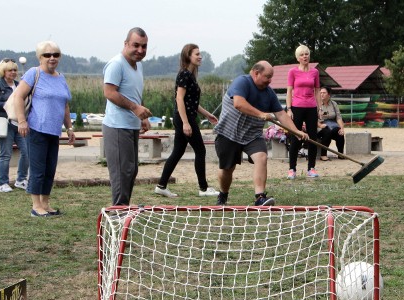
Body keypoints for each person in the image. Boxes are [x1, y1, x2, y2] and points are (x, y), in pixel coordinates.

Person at [213, 61, 308, 206]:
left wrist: (296, 131)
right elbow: (238, 103)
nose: (270, 81)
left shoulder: (269, 93)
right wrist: (260, 114)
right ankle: (223, 194)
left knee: (262, 157)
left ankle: (260, 197)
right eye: (267, 77)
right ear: (256, 73)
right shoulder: (242, 82)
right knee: (227, 169)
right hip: (228, 133)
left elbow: (281, 115)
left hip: (252, 135)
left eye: (271, 77)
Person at [12, 41, 75, 217]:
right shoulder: (34, 73)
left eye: (55, 54)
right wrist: (22, 121)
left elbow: (65, 105)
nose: (52, 58)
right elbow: (18, 96)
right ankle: (36, 205)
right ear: (40, 57)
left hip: (54, 130)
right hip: (37, 128)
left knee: (50, 168)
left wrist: (69, 128)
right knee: (38, 169)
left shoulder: (61, 78)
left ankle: (46, 203)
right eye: (47, 55)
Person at [154, 43, 219, 198]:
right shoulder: (184, 74)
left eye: (200, 53)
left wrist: (207, 114)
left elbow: (192, 102)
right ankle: (203, 189)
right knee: (200, 150)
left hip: (186, 116)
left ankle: (161, 186)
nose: (200, 56)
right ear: (188, 56)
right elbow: (179, 99)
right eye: (197, 54)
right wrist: (185, 122)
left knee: (178, 151)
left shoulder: (190, 75)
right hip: (184, 118)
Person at [102, 27, 152, 206]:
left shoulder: (138, 65)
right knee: (122, 172)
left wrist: (141, 115)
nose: (140, 50)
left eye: (144, 46)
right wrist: (134, 108)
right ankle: (119, 212)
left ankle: (124, 208)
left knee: (131, 170)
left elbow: (134, 93)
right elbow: (109, 93)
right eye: (136, 45)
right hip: (117, 126)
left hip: (131, 125)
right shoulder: (117, 64)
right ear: (126, 44)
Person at [0, 58, 29, 193]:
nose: (13, 72)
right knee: (6, 154)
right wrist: (5, 105)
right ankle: (3, 183)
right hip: (4, 124)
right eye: (10, 70)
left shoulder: (19, 85)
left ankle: (21, 179)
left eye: (15, 70)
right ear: (3, 71)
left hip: (18, 123)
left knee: (26, 152)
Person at [286, 45, 321, 179]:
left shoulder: (315, 72)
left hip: (311, 107)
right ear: (298, 58)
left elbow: (317, 90)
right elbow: (289, 91)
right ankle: (292, 169)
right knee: (295, 137)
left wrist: (319, 108)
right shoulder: (293, 72)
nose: (305, 56)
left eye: (306, 54)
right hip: (297, 107)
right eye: (302, 55)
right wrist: (289, 109)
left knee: (312, 138)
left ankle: (311, 168)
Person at [316, 86, 345, 161]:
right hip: (320, 126)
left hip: (332, 125)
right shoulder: (316, 104)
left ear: (329, 95)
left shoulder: (333, 104)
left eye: (324, 93)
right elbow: (312, 118)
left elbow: (338, 117)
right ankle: (323, 155)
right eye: (321, 93)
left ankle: (340, 154)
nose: (322, 94)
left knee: (339, 132)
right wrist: (320, 125)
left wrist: (342, 128)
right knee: (327, 131)